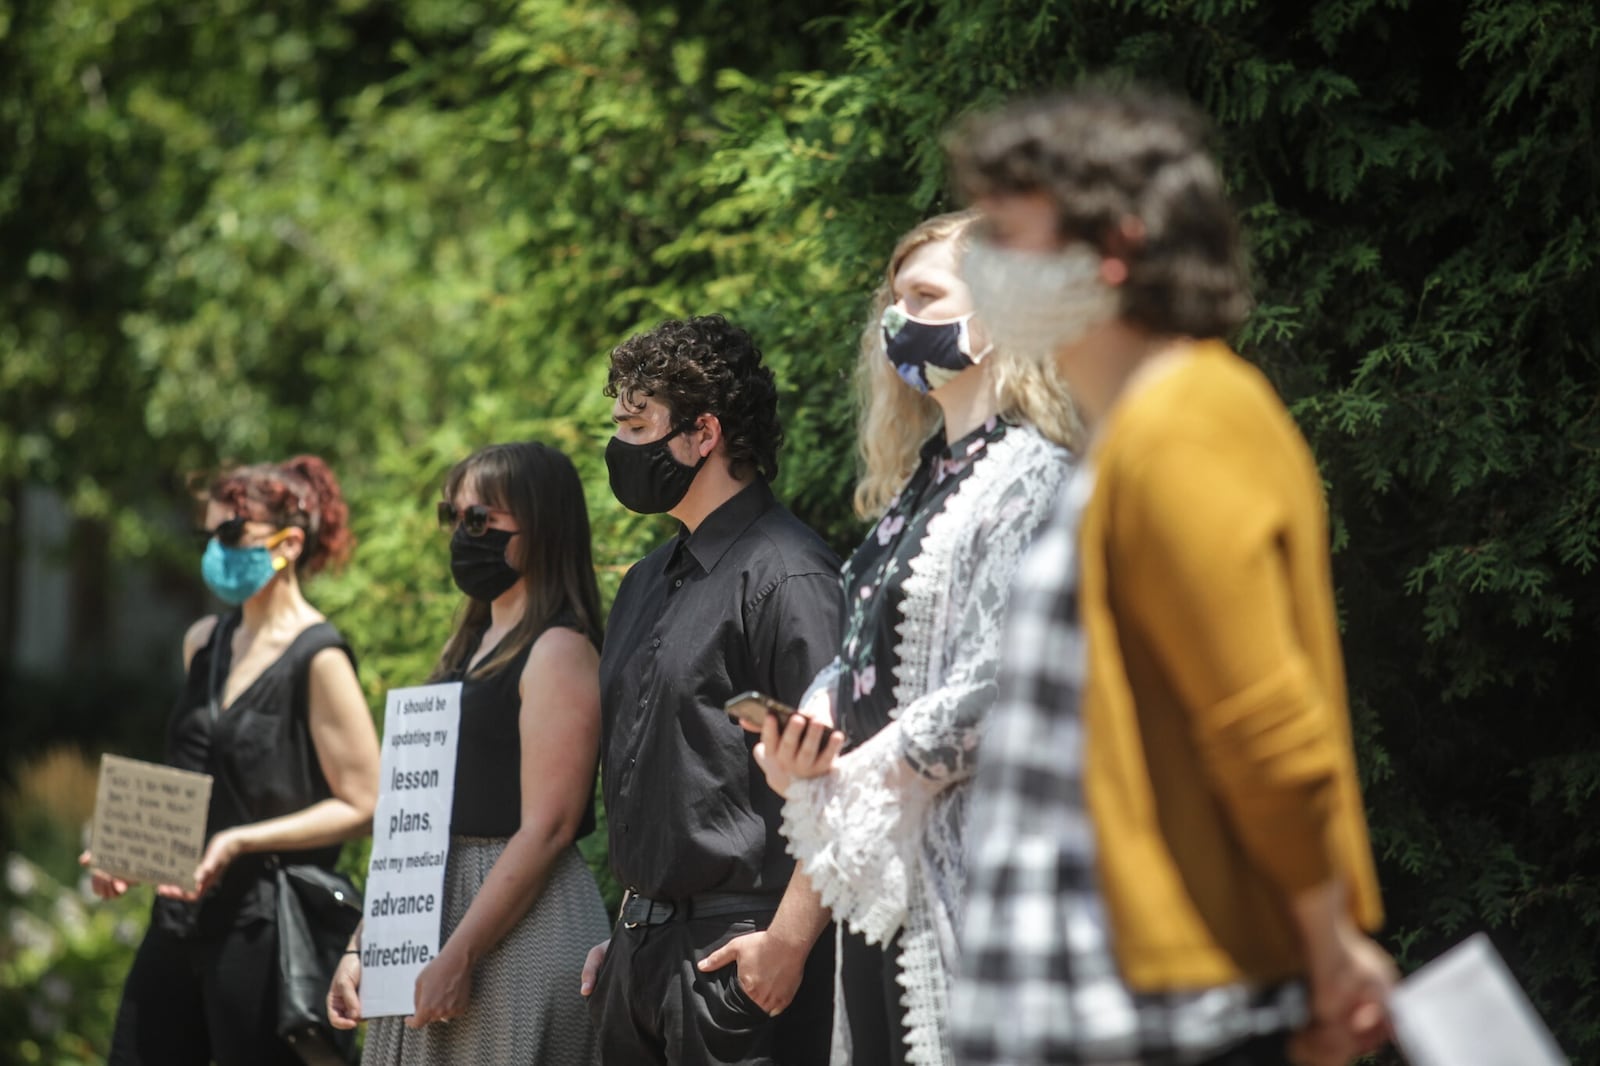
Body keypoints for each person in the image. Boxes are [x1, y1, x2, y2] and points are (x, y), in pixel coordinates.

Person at [943, 89, 1396, 1066]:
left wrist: (1326, 950)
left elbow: (1262, 722)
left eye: (1005, 233)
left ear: (1115, 246)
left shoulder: (1185, 420)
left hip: (1161, 1014)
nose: (981, 263)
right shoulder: (1132, 431)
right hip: (1093, 1007)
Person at [750, 210, 1078, 1065]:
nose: (900, 322)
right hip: (888, 884)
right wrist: (813, 731)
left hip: (974, 886)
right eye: (894, 304)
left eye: (926, 297)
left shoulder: (1035, 473)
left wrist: (864, 768)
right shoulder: (917, 490)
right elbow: (862, 653)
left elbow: (999, 682)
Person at [579, 314, 844, 1066]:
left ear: (703, 435)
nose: (619, 447)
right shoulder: (641, 584)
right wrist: (629, 931)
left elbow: (841, 779)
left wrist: (785, 944)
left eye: (637, 425)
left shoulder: (790, 575)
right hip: (638, 959)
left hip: (743, 958)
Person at [84, 456, 382, 1066]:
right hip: (176, 920)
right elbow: (198, 778)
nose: (214, 551)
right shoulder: (204, 642)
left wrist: (240, 842)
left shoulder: (318, 656)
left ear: (289, 543)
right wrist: (130, 850)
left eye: (230, 534)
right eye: (208, 535)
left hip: (265, 928)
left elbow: (365, 803)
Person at [327, 441, 611, 1063]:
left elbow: (550, 826)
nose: (462, 533)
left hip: (515, 932)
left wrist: (459, 953)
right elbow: (412, 824)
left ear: (543, 526)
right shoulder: (467, 647)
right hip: (430, 918)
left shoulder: (560, 650)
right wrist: (365, 945)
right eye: (452, 516)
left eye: (480, 519)